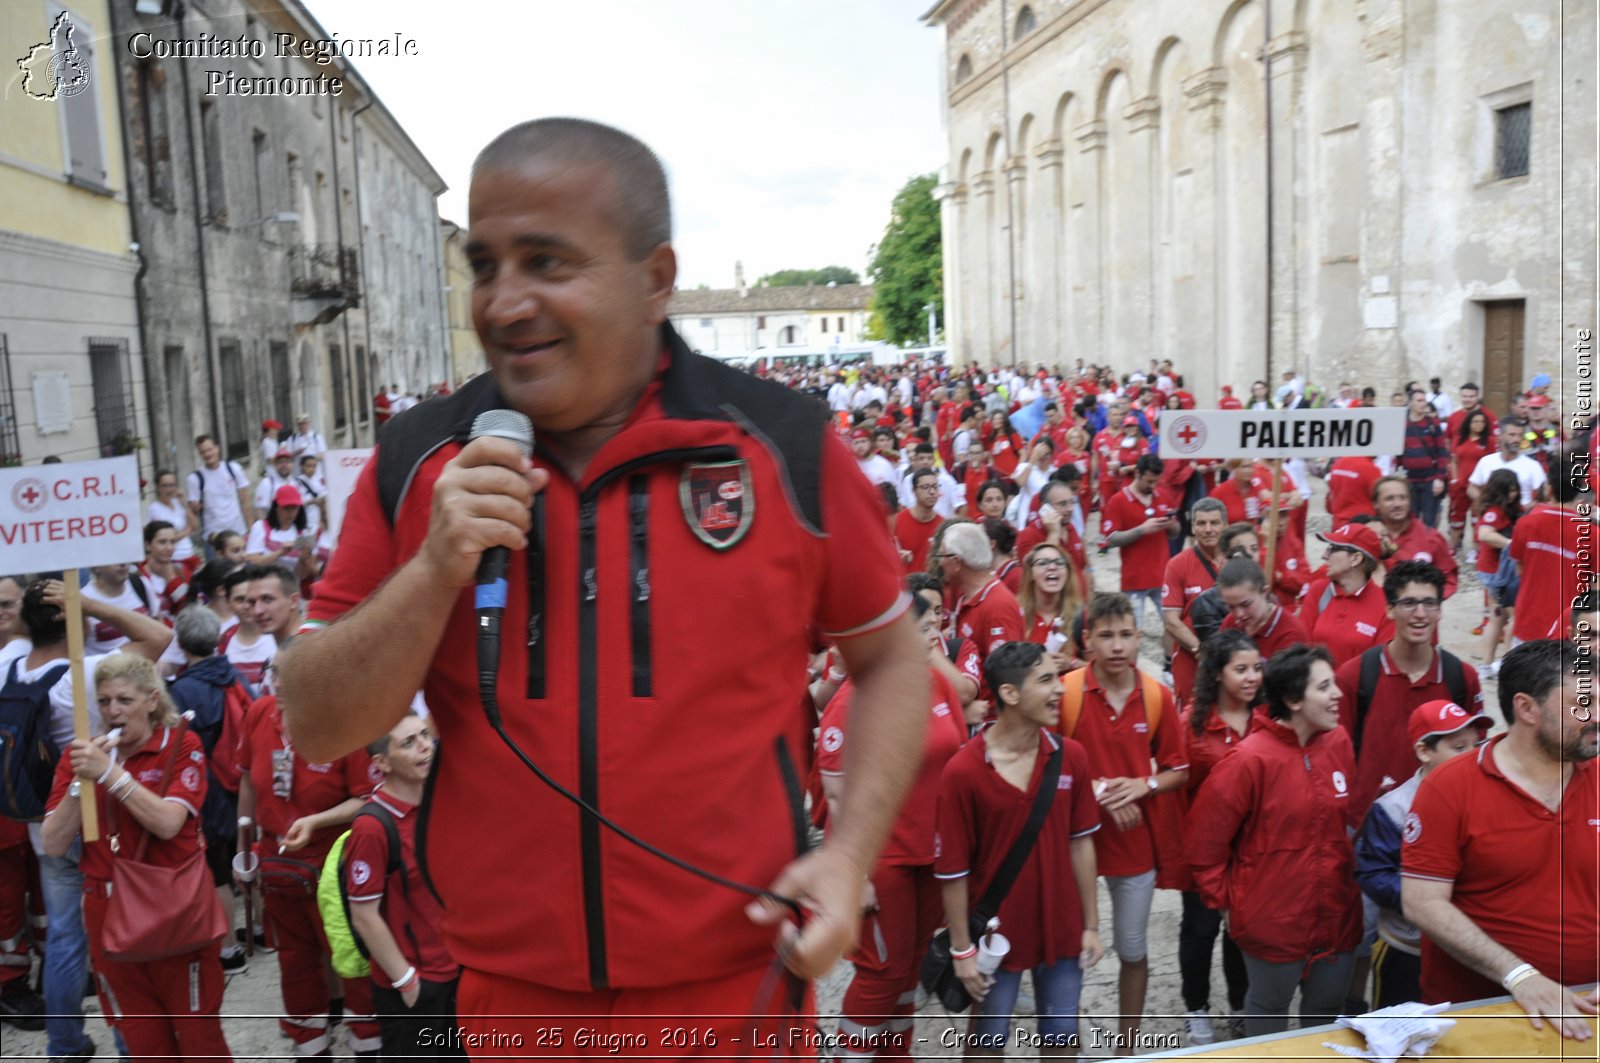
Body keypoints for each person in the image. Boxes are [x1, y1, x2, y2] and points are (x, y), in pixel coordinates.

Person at [279, 118, 928, 1047]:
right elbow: (319, 721)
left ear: (656, 278)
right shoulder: (417, 460)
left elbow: (893, 659)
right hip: (510, 997)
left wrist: (849, 854)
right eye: (486, 264)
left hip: (734, 987)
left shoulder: (783, 447)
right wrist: (433, 568)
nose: (504, 303)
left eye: (547, 262)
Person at [1401, 640, 1598, 1040]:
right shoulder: (1449, 787)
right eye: (1584, 703)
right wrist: (1520, 976)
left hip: (1585, 1013)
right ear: (1526, 708)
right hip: (1482, 1017)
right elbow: (1422, 903)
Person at [40, 655, 233, 1061]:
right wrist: (82, 782)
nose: (113, 711)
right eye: (106, 701)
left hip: (174, 911)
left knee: (200, 1043)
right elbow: (54, 844)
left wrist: (110, 774)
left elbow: (168, 822)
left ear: (151, 700)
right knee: (143, 1045)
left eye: (124, 700)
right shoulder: (82, 757)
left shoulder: (182, 743)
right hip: (107, 913)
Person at [236, 571, 381, 1058]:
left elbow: (365, 798)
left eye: (290, 678)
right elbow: (245, 779)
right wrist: (243, 847)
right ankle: (310, 1043)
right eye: (276, 677)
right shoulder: (260, 714)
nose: (280, 688)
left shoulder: (343, 721)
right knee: (294, 962)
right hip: (276, 866)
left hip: (332, 868)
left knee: (351, 956)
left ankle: (367, 1042)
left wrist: (316, 823)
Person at [817, 595, 966, 1058]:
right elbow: (836, 797)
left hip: (931, 854)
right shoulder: (853, 700)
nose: (934, 637)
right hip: (884, 861)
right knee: (882, 970)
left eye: (935, 627)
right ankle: (852, 1054)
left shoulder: (935, 685)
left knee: (910, 967)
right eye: (923, 630)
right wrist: (855, 877)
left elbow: (957, 757)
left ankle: (895, 1054)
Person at [935, 640, 1102, 1054]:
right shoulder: (963, 772)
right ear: (1009, 694)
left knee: (1062, 1039)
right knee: (987, 1043)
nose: (1061, 689)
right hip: (995, 938)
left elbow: (1081, 845)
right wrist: (961, 949)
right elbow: (952, 871)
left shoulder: (1072, 757)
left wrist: (1092, 926)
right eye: (1045, 680)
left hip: (1062, 929)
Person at [1187, 644, 1361, 1037]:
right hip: (1272, 925)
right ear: (1293, 700)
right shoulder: (1248, 760)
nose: (1338, 694)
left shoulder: (1339, 743)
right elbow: (1203, 845)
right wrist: (1231, 904)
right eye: (1325, 686)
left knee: (1326, 1015)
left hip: (1337, 919)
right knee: (1268, 1016)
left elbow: (1344, 822)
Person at [1060, 593, 1187, 1055]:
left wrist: (1144, 785)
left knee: (1133, 949)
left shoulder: (1157, 695)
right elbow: (1046, 764)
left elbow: (1178, 769)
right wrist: (1100, 793)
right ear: (1087, 640)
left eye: (1126, 635)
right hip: (1075, 843)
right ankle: (1063, 1043)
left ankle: (1127, 1047)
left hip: (1135, 843)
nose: (1117, 646)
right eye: (1106, 635)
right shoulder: (1067, 692)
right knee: (1070, 951)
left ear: (1139, 638)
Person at [1354, 699, 1491, 1007]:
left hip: (1475, 948)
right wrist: (1435, 901)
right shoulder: (1394, 808)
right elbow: (1374, 874)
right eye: (1458, 747)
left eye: (1476, 745)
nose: (1472, 755)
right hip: (1409, 946)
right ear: (1424, 752)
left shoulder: (1491, 797)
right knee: (1400, 1033)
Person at [346, 713, 465, 1060]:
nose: (425, 747)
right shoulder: (372, 827)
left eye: (426, 735)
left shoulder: (438, 804)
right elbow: (364, 916)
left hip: (455, 973)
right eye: (409, 742)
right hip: (414, 987)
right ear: (381, 763)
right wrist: (407, 982)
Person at [1334, 561, 1482, 822]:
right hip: (1366, 826)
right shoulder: (1354, 676)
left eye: (1430, 603)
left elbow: (1474, 756)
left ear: (1440, 611)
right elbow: (1334, 754)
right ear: (1390, 609)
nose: (1420, 613)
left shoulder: (1462, 677)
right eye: (1409, 603)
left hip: (1440, 820)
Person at [1175, 630, 1263, 1045]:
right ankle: (1197, 1009)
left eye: (1257, 669)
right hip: (1206, 855)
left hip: (1254, 855)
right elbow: (1180, 791)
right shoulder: (1191, 724)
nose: (1252, 677)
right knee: (1200, 930)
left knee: (1240, 933)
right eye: (1240, 669)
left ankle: (1241, 1006)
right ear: (1216, 673)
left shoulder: (1267, 719)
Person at [165, 606, 254, 975]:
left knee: (217, 869)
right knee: (246, 854)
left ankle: (229, 951)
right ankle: (259, 930)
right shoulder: (235, 677)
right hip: (243, 781)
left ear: (181, 644)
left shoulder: (182, 689)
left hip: (209, 788)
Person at [1508, 445, 1598, 643]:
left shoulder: (1526, 523)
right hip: (1566, 632)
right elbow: (1594, 588)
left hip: (1527, 623)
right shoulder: (1593, 535)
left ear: (1548, 489)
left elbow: (1519, 569)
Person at [1298, 523, 1393, 668]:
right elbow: (1301, 647)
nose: (1324, 556)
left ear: (1356, 559)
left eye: (1333, 549)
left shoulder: (1385, 605)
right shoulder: (1318, 590)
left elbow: (1380, 665)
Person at [1101, 455, 1178, 632]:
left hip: (1163, 575)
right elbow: (1111, 539)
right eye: (1149, 481)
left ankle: (1169, 660)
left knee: (1174, 626)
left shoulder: (1163, 496)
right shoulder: (1118, 501)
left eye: (1156, 481)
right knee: (1133, 631)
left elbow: (1175, 533)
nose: (1152, 486)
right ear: (1137, 473)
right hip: (1135, 579)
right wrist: (1141, 530)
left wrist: (1173, 525)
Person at [1162, 498, 1228, 704]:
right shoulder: (1177, 565)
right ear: (1193, 528)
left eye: (1214, 523)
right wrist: (1201, 651)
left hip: (1232, 658)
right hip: (1191, 658)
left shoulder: (1238, 562)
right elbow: (1171, 620)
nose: (1208, 529)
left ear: (1225, 525)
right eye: (1201, 523)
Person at [1372, 476, 1459, 598]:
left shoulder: (1431, 537)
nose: (1397, 504)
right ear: (1376, 504)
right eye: (1389, 499)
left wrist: (1430, 601)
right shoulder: (1366, 536)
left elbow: (1449, 578)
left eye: (1403, 498)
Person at [1473, 468, 1522, 674]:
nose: (1513, 494)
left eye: (1515, 490)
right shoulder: (1495, 510)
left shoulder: (1506, 508)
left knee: (1498, 618)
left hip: (1496, 572)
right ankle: (1507, 664)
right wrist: (1513, 544)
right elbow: (1485, 534)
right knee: (1516, 618)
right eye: (1509, 490)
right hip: (1497, 574)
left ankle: (1487, 665)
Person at [1216, 558, 1311, 663]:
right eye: (1231, 607)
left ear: (1264, 592)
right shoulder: (1230, 623)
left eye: (1246, 604)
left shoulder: (1291, 633)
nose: (1239, 614)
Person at [1018, 543, 1086, 676]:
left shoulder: (1082, 616)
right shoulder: (1016, 613)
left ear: (1067, 572)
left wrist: (1072, 663)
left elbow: (1101, 670)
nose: (1052, 567)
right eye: (1043, 563)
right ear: (1030, 573)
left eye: (1059, 563)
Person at [245, 485, 325, 582]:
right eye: (286, 508)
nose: (290, 512)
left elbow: (301, 575)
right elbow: (251, 561)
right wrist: (280, 552)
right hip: (264, 583)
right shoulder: (260, 527)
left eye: (294, 508)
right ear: (276, 507)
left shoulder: (304, 532)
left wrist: (303, 558)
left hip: (290, 586)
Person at [189, 434, 254, 546]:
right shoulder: (195, 478)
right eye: (203, 452)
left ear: (217, 448)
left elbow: (245, 501)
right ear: (199, 454)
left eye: (209, 450)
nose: (207, 454)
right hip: (213, 536)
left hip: (238, 532)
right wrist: (194, 507)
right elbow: (194, 509)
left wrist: (251, 530)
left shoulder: (233, 469)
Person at [1447, 410, 1494, 552]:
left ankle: (1477, 550)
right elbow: (1454, 461)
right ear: (1469, 423)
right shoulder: (1460, 439)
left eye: (1482, 422)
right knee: (1456, 518)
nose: (1479, 424)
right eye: (1475, 421)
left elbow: (1492, 462)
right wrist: (1454, 479)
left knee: (1477, 518)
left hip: (1479, 487)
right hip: (1460, 486)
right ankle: (1452, 548)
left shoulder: (1489, 441)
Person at [79, 563, 151, 655]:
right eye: (114, 559)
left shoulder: (140, 583)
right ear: (96, 567)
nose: (122, 564)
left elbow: (157, 619)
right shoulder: (82, 600)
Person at [894, 468, 944, 574]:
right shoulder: (897, 521)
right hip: (904, 586)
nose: (932, 492)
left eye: (935, 487)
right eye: (925, 487)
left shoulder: (943, 526)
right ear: (913, 491)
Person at [146, 469, 199, 562]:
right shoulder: (154, 508)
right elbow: (167, 537)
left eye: (172, 485)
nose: (169, 489)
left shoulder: (178, 503)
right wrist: (187, 531)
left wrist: (185, 504)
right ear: (157, 487)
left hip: (189, 553)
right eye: (164, 486)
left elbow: (195, 525)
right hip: (172, 557)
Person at [1324, 455, 1382, 526]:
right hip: (1364, 526)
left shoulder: (1338, 464)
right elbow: (1381, 502)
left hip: (1339, 525)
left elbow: (1330, 502)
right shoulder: (1370, 469)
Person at [256, 445, 299, 514]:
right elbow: (260, 511)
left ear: (291, 465)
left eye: (287, 462)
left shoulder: (295, 483)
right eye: (280, 462)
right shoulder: (267, 483)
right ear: (275, 465)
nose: (284, 465)